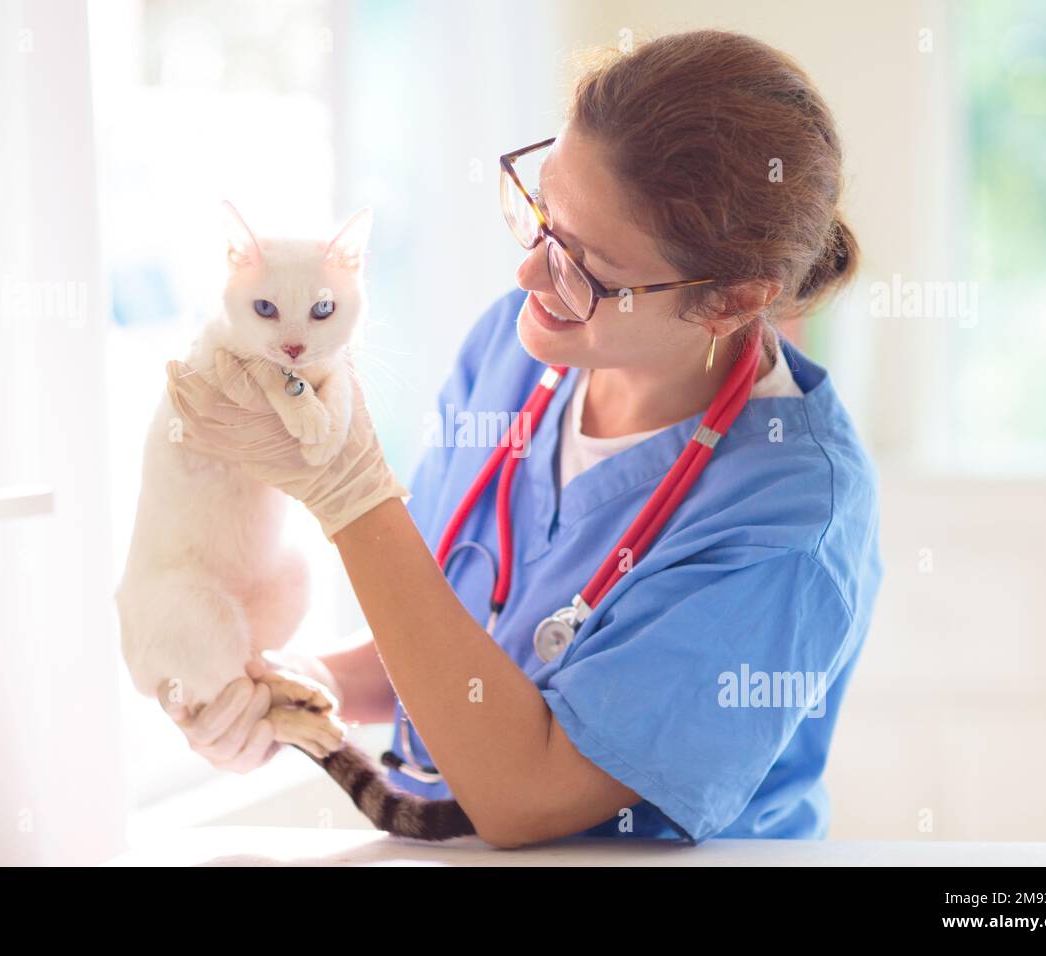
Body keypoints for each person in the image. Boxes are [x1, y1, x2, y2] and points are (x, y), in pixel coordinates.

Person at [160, 29, 882, 848]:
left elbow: (525, 794)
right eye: (540, 212)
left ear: (727, 302)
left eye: (584, 265)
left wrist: (350, 495)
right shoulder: (517, 340)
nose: (529, 275)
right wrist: (313, 684)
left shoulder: (787, 525)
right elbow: (463, 639)